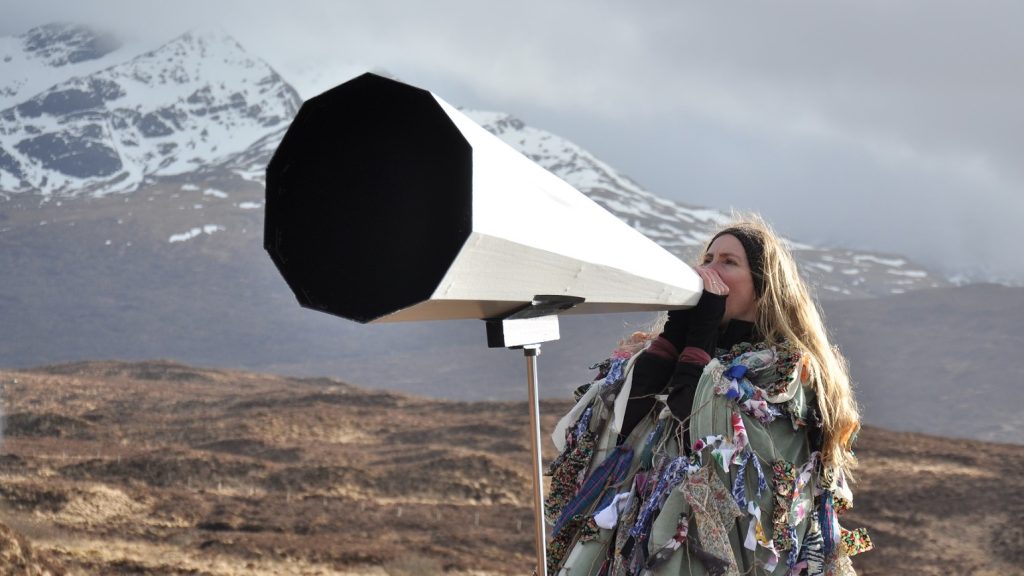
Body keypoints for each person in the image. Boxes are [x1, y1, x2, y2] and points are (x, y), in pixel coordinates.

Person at [544, 216, 871, 575]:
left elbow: (694, 443)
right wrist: (675, 333)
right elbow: (624, 434)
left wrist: (699, 341)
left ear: (763, 287)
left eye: (728, 262)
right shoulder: (674, 354)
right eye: (708, 260)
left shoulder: (784, 373)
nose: (709, 272)